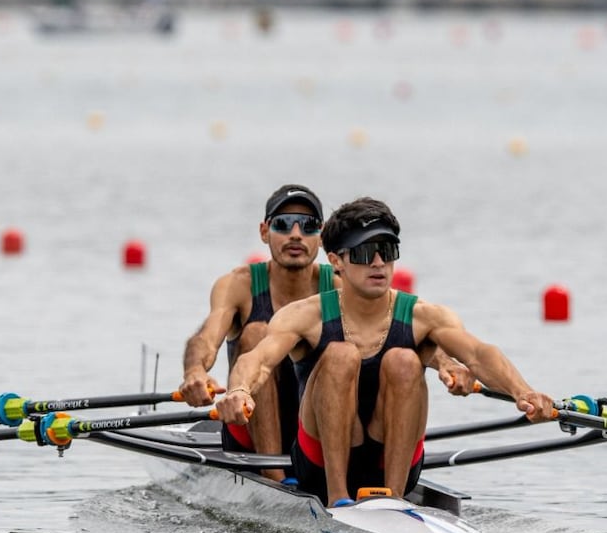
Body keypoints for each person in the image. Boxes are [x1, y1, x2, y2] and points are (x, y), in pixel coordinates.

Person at [216, 196, 558, 506]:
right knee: (341, 355)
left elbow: (479, 354)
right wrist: (240, 390)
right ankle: (338, 498)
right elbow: (256, 360)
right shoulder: (307, 315)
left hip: (391, 459)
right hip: (318, 464)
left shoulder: (426, 316)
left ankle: (393, 500)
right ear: (337, 261)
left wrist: (523, 392)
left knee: (404, 360)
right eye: (364, 253)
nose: (378, 263)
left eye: (387, 250)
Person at [181, 186, 471, 477]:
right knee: (257, 332)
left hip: (318, 422)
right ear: (264, 232)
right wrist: (195, 372)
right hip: (249, 422)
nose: (296, 234)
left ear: (320, 238)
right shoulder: (238, 286)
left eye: (308, 226)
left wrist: (446, 362)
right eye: (283, 224)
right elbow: (206, 338)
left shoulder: (342, 286)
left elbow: (400, 327)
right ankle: (274, 477)